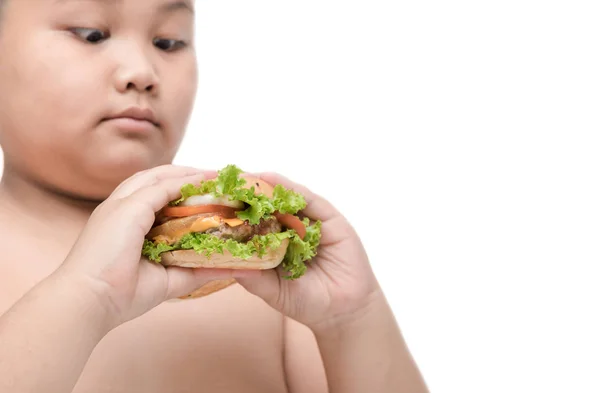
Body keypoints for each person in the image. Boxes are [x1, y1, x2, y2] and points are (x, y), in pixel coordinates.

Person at [0, 0, 429, 392]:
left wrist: (350, 319)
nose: (142, 71)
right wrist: (87, 296)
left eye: (169, 41)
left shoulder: (268, 287)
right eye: (91, 34)